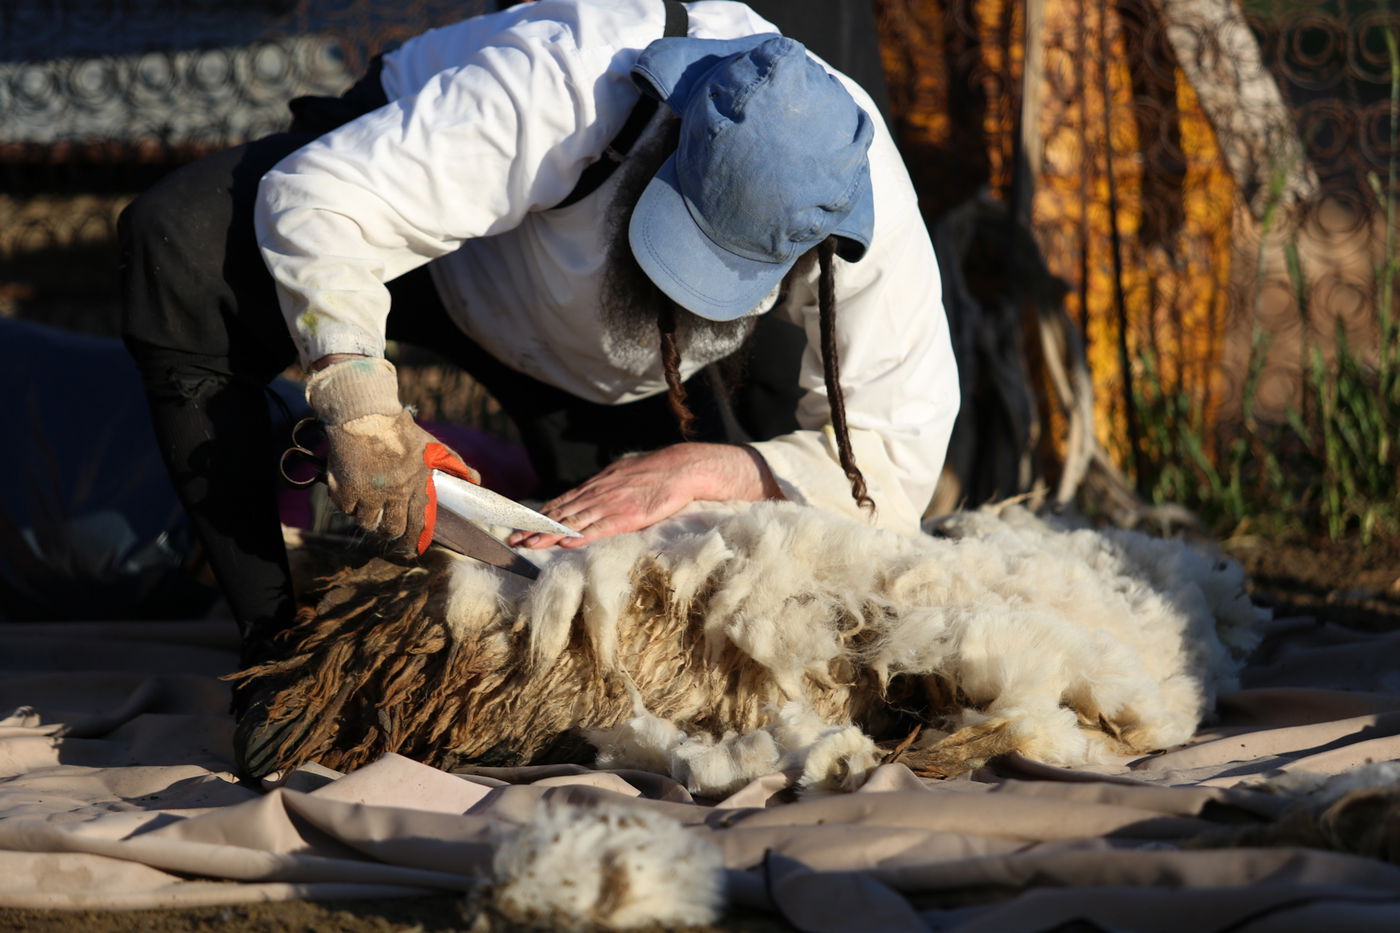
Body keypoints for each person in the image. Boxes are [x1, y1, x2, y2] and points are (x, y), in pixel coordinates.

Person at [119, 0, 959, 778]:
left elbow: (897, 452)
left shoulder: (862, 196)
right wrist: (359, 403)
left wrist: (710, 468)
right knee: (177, 248)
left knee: (701, 603)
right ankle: (279, 650)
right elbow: (323, 203)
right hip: (453, 267)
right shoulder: (565, 80)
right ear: (669, 130)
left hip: (640, 379)